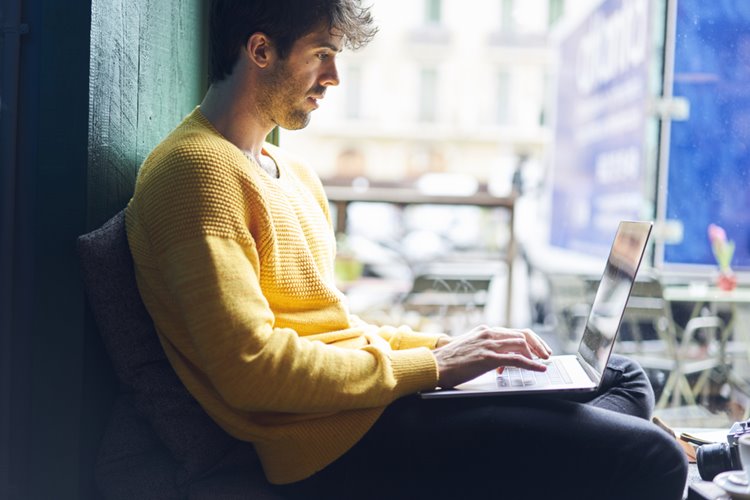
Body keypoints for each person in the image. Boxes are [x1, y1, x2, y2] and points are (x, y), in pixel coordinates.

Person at [125, 1, 688, 498]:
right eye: (323, 53)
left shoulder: (291, 171)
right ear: (261, 50)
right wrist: (434, 366)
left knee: (623, 380)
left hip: (376, 404)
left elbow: (336, 325)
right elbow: (252, 370)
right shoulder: (196, 172)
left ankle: (550, 461)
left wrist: (458, 347)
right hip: (333, 447)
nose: (335, 77)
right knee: (654, 457)